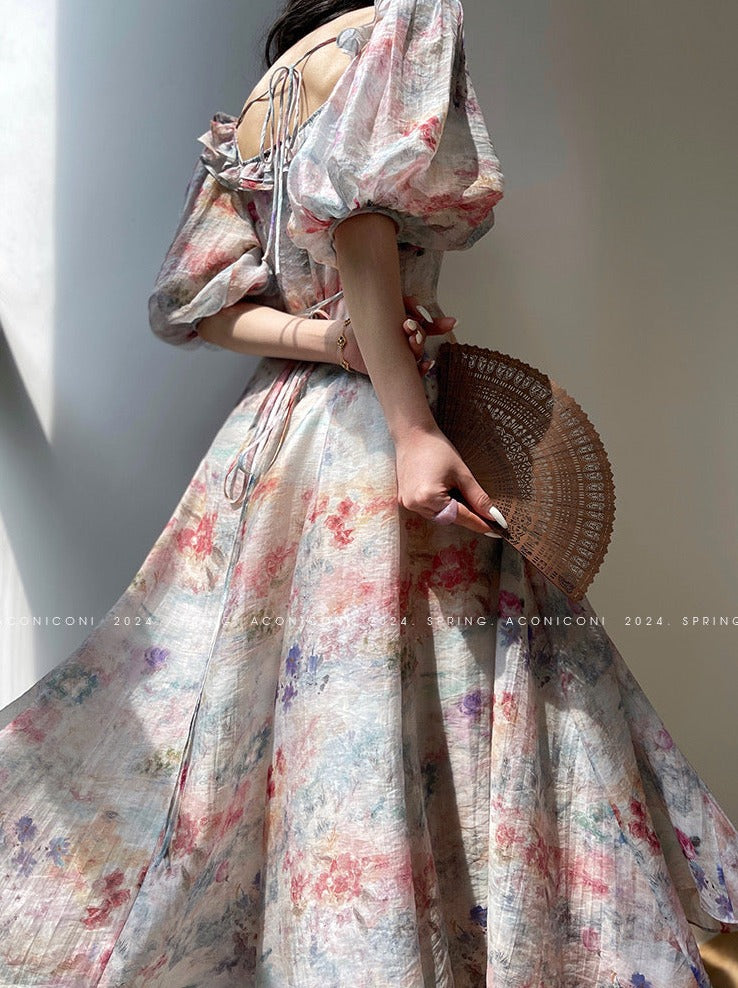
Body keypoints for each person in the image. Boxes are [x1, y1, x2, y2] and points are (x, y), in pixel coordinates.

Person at [1, 0, 737, 984]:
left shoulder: (269, 93)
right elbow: (359, 225)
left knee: (320, 705)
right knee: (454, 684)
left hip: (281, 439)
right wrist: (413, 428)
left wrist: (330, 340)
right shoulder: (403, 24)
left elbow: (202, 306)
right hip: (373, 431)